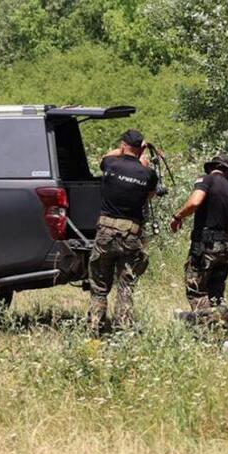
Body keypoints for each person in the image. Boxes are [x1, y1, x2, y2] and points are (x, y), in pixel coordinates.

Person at [88, 129, 158, 333]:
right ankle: (123, 331)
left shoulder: (111, 164)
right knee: (126, 286)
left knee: (99, 285)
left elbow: (106, 157)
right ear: (141, 149)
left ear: (123, 145)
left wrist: (122, 151)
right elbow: (148, 197)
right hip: (131, 235)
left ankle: (95, 326)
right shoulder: (148, 174)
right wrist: (142, 160)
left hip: (106, 233)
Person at [169, 154, 228, 329]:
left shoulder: (206, 180)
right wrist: (224, 249)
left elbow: (194, 202)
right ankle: (224, 327)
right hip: (224, 248)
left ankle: (206, 329)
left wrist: (177, 217)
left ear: (212, 168)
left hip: (205, 246)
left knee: (197, 289)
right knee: (216, 293)